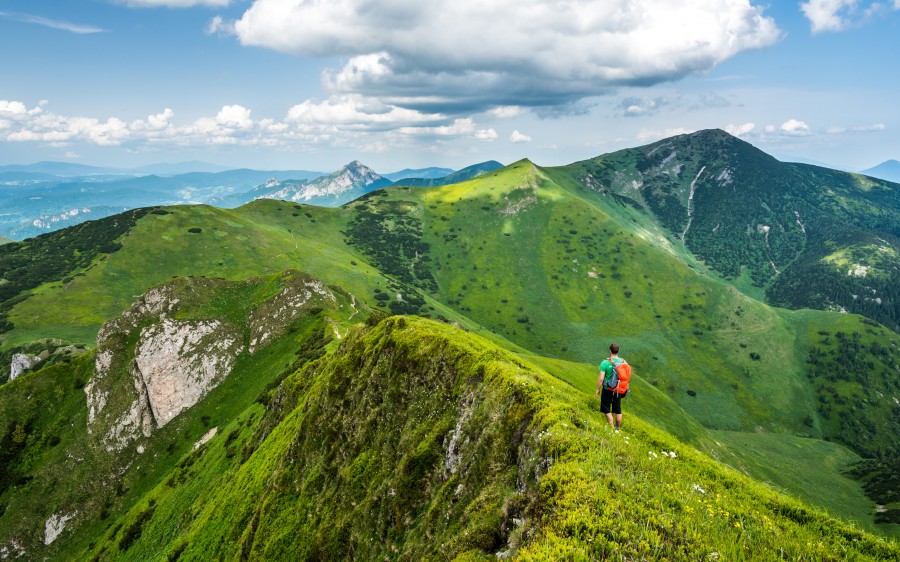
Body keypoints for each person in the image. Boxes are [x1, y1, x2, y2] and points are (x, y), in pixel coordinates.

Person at [596, 343, 626, 431]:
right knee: (618, 409)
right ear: (618, 351)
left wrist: (598, 389)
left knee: (606, 409)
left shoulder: (605, 363)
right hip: (618, 389)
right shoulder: (623, 362)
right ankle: (618, 429)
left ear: (610, 351)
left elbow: (601, 378)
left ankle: (612, 429)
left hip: (607, 389)